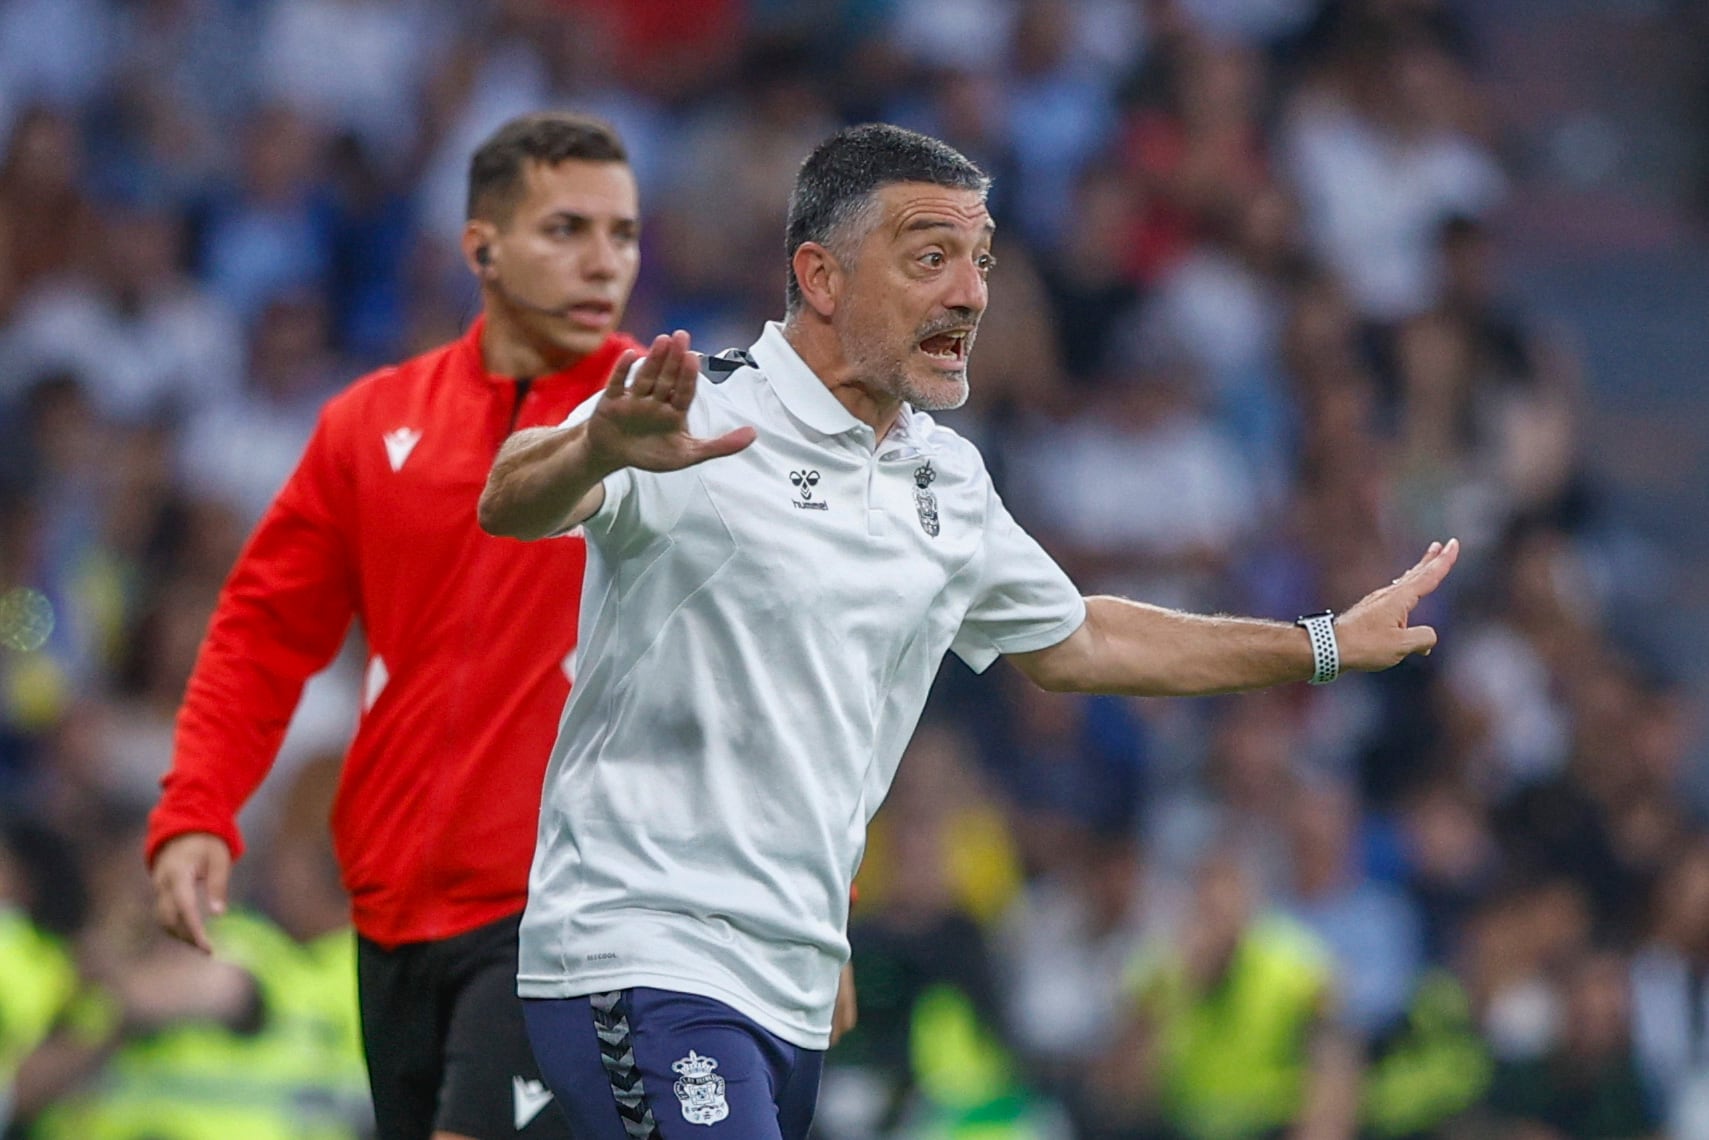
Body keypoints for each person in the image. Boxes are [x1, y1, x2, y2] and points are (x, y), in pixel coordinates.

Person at [478, 122, 1459, 1140]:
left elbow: (1083, 641)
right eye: (929, 258)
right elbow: (508, 497)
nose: (971, 293)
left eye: (979, 261)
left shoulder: (943, 478)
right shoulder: (696, 411)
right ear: (819, 276)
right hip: (640, 949)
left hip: (793, 977)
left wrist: (1321, 643)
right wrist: (594, 448)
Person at [145, 111, 644, 1140]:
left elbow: (782, 656)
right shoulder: (370, 424)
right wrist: (198, 809)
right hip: (392, 909)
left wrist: (818, 912)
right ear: (481, 249)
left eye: (623, 234)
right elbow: (262, 630)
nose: (605, 261)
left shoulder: (664, 420)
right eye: (568, 230)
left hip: (571, 910)